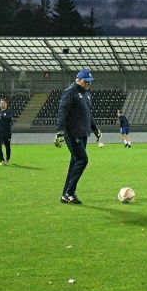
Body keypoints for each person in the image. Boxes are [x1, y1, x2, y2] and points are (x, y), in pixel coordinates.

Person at [54, 69, 102, 204]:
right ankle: (69, 192)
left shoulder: (86, 94)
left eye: (90, 82)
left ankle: (67, 194)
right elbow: (62, 111)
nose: (88, 85)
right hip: (73, 132)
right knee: (82, 160)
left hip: (83, 133)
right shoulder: (70, 92)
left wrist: (95, 129)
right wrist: (60, 131)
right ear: (79, 80)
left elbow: (88, 114)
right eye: (86, 82)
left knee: (75, 162)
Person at [0, 96, 14, 165]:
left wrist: (2, 115)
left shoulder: (9, 112)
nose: (2, 104)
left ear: (6, 104)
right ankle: (1, 160)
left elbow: (8, 118)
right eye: (1, 103)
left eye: (3, 103)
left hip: (7, 132)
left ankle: (7, 159)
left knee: (7, 146)